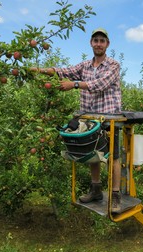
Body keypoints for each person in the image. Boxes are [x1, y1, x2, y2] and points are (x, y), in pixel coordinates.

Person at [31, 28, 122, 212]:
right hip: (89, 118)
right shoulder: (84, 66)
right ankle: (96, 190)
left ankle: (116, 196)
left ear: (107, 44)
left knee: (113, 156)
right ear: (91, 43)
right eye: (95, 40)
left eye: (101, 41)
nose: (98, 43)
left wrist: (74, 84)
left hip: (109, 117)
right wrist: (40, 71)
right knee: (92, 153)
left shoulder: (113, 65)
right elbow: (64, 71)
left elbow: (100, 84)